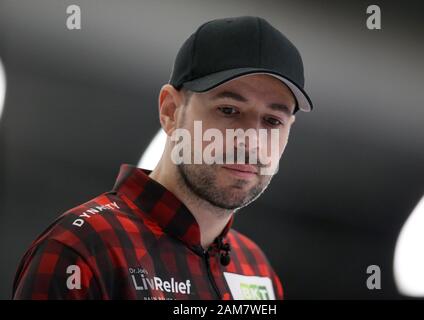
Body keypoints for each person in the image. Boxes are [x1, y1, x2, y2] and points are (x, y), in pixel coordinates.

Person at [13, 16, 313, 300]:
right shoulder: (85, 248)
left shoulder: (256, 269)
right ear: (170, 110)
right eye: (228, 110)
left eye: (273, 121)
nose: (250, 142)